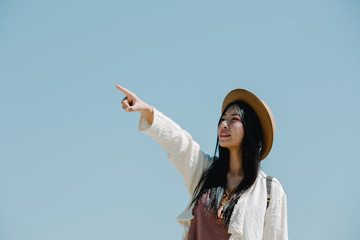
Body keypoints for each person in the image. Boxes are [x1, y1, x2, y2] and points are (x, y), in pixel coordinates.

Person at [116, 84, 288, 240]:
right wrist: (147, 110)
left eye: (234, 119)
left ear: (251, 130)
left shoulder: (269, 191)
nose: (224, 124)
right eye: (222, 118)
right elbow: (180, 144)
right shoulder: (205, 171)